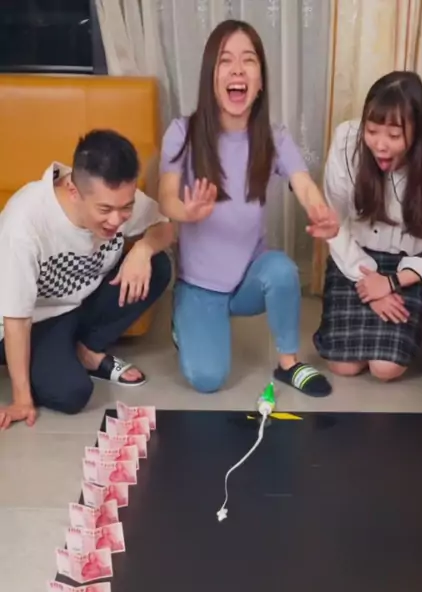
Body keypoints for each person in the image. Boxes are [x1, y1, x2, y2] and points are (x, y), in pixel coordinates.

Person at [159, 19, 339, 397]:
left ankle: (288, 363)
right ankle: (185, 320)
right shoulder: (182, 132)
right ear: (210, 76)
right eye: (225, 60)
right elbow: (166, 197)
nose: (238, 70)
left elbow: (303, 184)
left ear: (260, 82)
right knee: (207, 379)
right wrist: (187, 212)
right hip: (200, 285)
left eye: (249, 60)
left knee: (282, 270)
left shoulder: (274, 138)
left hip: (247, 280)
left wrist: (320, 211)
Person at [0, 130, 174, 429]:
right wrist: (21, 399)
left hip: (77, 303)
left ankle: (86, 349)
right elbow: (16, 318)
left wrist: (143, 249)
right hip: (29, 320)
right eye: (105, 210)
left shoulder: (115, 195)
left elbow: (166, 227)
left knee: (157, 265)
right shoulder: (24, 225)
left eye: (126, 207)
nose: (117, 220)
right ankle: (65, 353)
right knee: (72, 393)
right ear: (73, 190)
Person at [313, 71, 422, 380]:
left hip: (409, 266)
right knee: (343, 367)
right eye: (372, 131)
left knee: (385, 369)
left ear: (418, 132)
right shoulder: (346, 142)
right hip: (354, 259)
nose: (380, 146)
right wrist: (370, 283)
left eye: (394, 137)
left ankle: (410, 335)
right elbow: (335, 223)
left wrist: (393, 282)